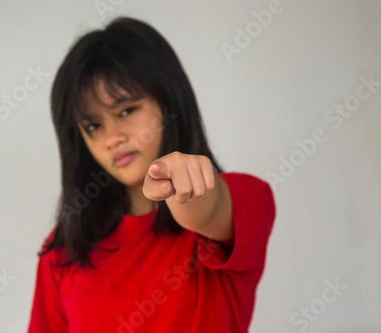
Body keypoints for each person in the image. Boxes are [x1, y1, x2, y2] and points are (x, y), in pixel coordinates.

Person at [27, 16, 276, 333]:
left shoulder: (246, 201)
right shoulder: (64, 250)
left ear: (168, 102)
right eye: (93, 126)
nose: (112, 137)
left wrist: (182, 179)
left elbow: (205, 208)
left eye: (126, 111)